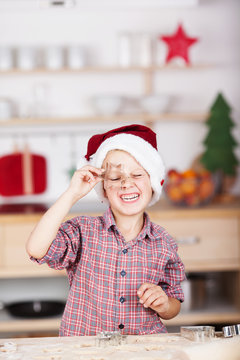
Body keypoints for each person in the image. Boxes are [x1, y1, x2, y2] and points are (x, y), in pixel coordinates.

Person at [26, 124, 185, 336]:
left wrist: (164, 305)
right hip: (85, 351)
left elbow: (174, 303)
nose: (127, 184)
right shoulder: (83, 231)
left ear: (154, 183)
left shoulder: (164, 242)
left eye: (137, 175)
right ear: (104, 189)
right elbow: (36, 249)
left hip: (141, 351)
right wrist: (72, 193)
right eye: (116, 178)